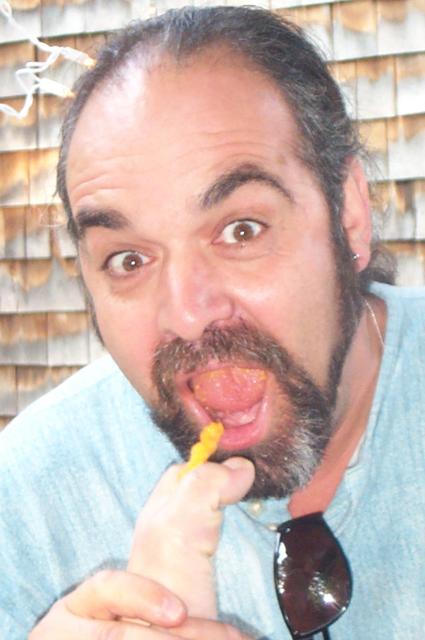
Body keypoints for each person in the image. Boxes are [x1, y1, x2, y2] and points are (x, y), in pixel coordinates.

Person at [0, 5, 424, 639]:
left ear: (349, 216)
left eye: (241, 230)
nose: (188, 315)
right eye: (128, 260)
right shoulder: (27, 500)